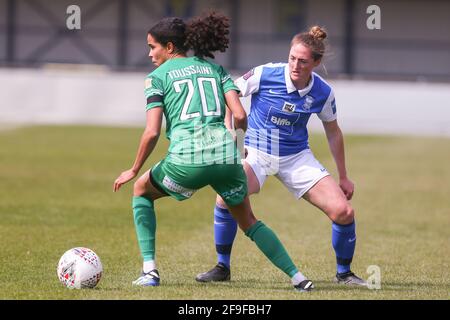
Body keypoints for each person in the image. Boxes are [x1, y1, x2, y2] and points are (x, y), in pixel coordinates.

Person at [113, 13, 314, 291]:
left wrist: (133, 168)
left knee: (141, 190)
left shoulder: (156, 77)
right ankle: (298, 278)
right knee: (249, 222)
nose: (150, 54)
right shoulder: (216, 70)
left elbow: (152, 132)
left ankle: (150, 271)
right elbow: (240, 114)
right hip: (225, 158)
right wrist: (240, 141)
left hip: (187, 159)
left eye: (152, 47)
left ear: (170, 47)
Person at [196, 26, 367, 286]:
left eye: (303, 61)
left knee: (344, 211)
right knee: (226, 195)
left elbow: (333, 133)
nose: (295, 65)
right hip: (256, 152)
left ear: (316, 63)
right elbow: (228, 96)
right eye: (292, 58)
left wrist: (344, 177)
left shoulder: (323, 93)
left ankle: (344, 274)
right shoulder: (266, 73)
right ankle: (223, 267)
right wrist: (235, 138)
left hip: (296, 157)